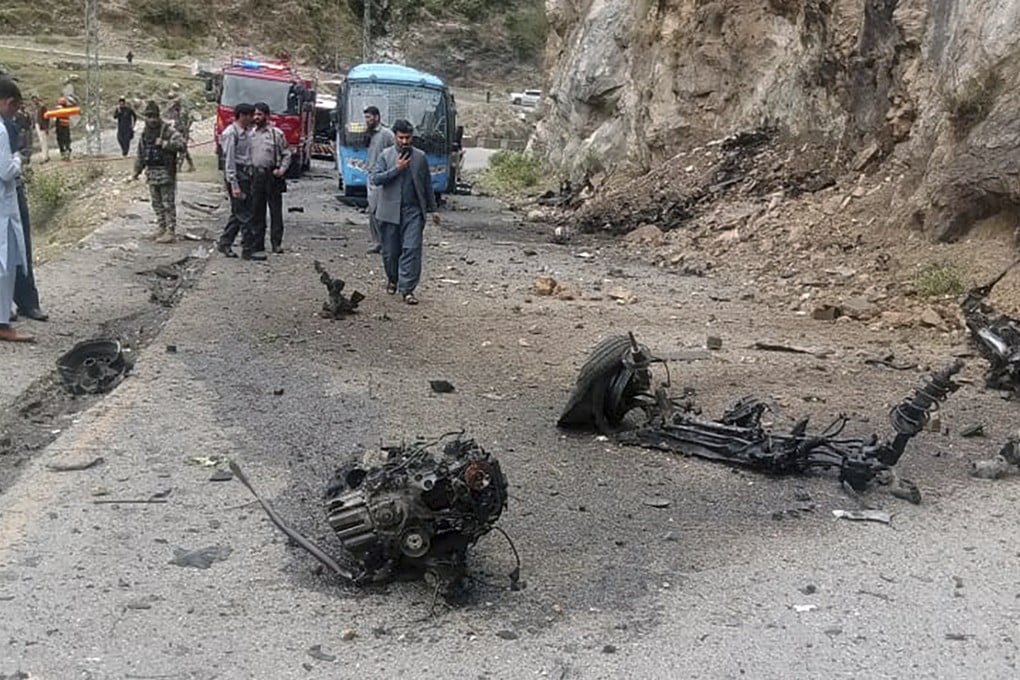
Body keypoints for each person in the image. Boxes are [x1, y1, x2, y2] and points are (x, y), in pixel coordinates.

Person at [370, 119, 440, 305]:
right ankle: (393, 279)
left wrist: (433, 209)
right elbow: (376, 179)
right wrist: (396, 169)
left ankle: (407, 290)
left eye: (408, 138)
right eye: (401, 138)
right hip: (389, 210)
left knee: (412, 249)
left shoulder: (420, 157)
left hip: (413, 211)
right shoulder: (385, 155)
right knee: (391, 252)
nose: (404, 142)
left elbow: (427, 185)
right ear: (395, 136)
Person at [3, 104, 47, 322]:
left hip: (11, 191)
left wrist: (19, 159)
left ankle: (27, 302)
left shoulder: (9, 124)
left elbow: (19, 154)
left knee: (18, 248)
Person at [0, 78, 33, 342]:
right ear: (9, 102)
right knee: (7, 263)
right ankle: (2, 323)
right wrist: (18, 157)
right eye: (15, 107)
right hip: (3, 206)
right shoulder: (1, 130)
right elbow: (6, 172)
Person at [131, 101, 185, 244]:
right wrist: (136, 172)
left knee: (168, 203)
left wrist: (166, 144)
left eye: (154, 116)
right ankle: (161, 227)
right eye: (149, 117)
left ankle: (170, 230)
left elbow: (182, 145)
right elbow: (141, 154)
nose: (152, 120)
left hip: (165, 172)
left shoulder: (167, 131)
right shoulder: (145, 134)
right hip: (152, 172)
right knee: (156, 203)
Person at [217, 103, 259, 260]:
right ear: (242, 116)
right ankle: (248, 248)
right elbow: (229, 161)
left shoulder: (248, 132)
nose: (253, 118)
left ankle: (225, 243)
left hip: (247, 174)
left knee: (239, 212)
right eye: (250, 115)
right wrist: (234, 184)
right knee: (245, 214)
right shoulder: (231, 133)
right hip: (237, 175)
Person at [249, 102, 292, 254]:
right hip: (255, 175)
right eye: (254, 114)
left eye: (259, 114)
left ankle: (276, 243)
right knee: (256, 211)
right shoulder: (250, 134)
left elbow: (287, 153)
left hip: (272, 175)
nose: (256, 117)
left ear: (267, 116)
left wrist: (282, 170)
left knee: (275, 211)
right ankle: (257, 243)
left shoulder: (276, 134)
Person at [363, 105, 394, 254]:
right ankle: (377, 242)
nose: (367, 121)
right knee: (372, 212)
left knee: (380, 212)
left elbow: (394, 154)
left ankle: (385, 243)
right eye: (366, 118)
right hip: (371, 177)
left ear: (376, 117)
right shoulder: (371, 134)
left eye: (369, 117)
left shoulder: (386, 134)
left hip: (381, 179)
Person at [30, 95, 50, 162]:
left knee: (44, 141)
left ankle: (45, 157)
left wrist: (46, 127)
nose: (34, 101)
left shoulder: (42, 107)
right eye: (33, 100)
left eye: (35, 100)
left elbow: (47, 118)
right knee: (41, 141)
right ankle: (45, 155)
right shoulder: (34, 109)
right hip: (37, 125)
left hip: (42, 125)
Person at [54, 96, 72, 160]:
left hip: (60, 127)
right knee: (66, 140)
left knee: (61, 141)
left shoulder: (60, 109)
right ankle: (66, 152)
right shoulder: (67, 109)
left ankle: (64, 153)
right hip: (65, 127)